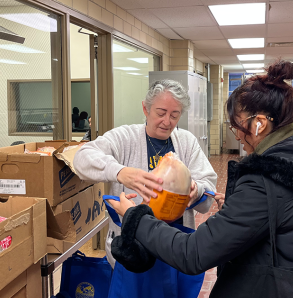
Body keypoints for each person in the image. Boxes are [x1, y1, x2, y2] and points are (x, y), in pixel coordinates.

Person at [106, 60, 293, 298]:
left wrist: (133, 217)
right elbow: (284, 218)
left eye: (236, 126)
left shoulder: (265, 180)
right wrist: (241, 210)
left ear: (259, 124)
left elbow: (193, 254)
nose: (237, 135)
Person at [73, 79, 218, 268]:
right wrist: (119, 171)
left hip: (174, 246)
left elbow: (208, 186)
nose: (167, 122)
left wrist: (197, 190)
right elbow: (82, 158)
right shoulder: (125, 138)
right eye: (161, 113)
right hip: (131, 249)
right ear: (145, 109)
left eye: (175, 115)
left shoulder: (186, 142)